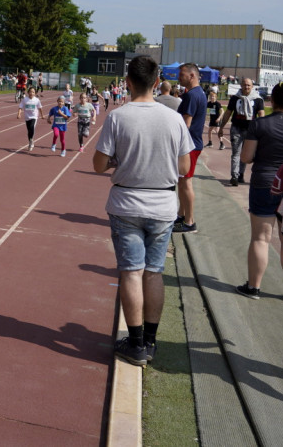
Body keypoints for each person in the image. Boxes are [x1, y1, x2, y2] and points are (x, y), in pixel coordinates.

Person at [93, 55, 192, 366]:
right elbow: (185, 167)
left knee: (131, 273)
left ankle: (135, 343)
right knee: (154, 272)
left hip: (127, 204)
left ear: (128, 82)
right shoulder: (174, 117)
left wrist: (118, 161)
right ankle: (150, 340)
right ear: (157, 80)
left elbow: (98, 164)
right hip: (163, 205)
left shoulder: (119, 117)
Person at [235, 82, 283, 302]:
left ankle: (254, 287)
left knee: (261, 239)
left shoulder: (259, 125)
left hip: (264, 183)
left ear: (271, 100)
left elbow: (245, 157)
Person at [173, 63, 206, 233]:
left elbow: (185, 124)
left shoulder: (192, 96)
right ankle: (182, 215)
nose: (179, 78)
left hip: (189, 145)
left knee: (185, 182)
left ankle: (190, 222)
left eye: (182, 75)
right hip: (192, 144)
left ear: (192, 75)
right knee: (183, 181)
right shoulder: (197, 93)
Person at [218, 78, 265, 186]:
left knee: (245, 154)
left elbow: (261, 115)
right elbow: (228, 113)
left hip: (250, 131)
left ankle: (241, 174)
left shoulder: (258, 99)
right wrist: (221, 128)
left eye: (248, 85)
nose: (246, 87)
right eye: (244, 85)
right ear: (241, 86)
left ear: (252, 86)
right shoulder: (235, 98)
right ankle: (234, 176)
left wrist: (261, 130)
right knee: (236, 153)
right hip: (236, 128)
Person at [17, 86, 44, 152]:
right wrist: (19, 114)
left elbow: (40, 108)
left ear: (35, 93)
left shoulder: (37, 100)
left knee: (32, 127)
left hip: (34, 116)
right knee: (29, 131)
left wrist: (42, 115)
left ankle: (31, 141)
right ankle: (31, 142)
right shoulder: (25, 99)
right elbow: (20, 107)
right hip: (27, 117)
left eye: (33, 92)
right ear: (28, 92)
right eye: (30, 92)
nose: (31, 93)